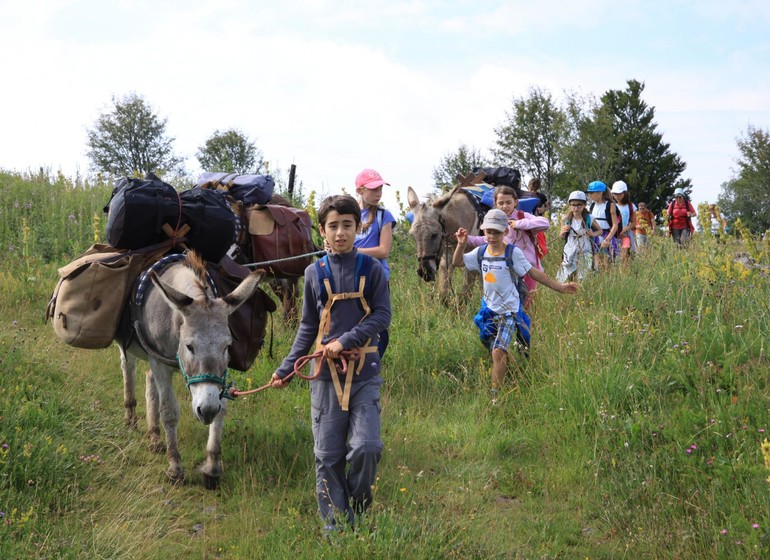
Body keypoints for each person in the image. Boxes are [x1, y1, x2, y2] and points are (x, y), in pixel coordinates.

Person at [271, 194, 391, 533]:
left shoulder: (373, 270)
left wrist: (347, 339)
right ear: (322, 230)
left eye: (348, 226)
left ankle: (358, 505)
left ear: (359, 227)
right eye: (333, 226)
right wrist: (286, 369)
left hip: (364, 374)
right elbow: (308, 326)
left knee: (366, 447)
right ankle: (335, 528)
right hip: (324, 376)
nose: (340, 233)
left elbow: (382, 314)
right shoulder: (313, 273)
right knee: (327, 455)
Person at [452, 209, 577, 399]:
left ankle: (495, 395)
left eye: (496, 232)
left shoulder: (513, 253)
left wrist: (559, 287)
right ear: (483, 232)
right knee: (493, 347)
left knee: (498, 350)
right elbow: (458, 262)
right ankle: (512, 370)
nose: (492, 236)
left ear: (505, 232)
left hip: (509, 312)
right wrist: (461, 244)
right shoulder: (481, 252)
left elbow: (533, 272)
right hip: (488, 311)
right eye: (488, 231)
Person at [464, 185, 550, 303]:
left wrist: (519, 224)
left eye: (508, 202)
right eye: (501, 203)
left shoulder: (522, 215)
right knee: (510, 302)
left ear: (515, 202)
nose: (505, 206)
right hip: (507, 269)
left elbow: (544, 223)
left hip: (528, 269)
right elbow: (485, 239)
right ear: (495, 203)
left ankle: (528, 321)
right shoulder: (495, 221)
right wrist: (466, 238)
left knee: (527, 302)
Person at [353, 168, 397, 357]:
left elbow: (383, 250)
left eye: (380, 189)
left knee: (379, 326)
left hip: (376, 278)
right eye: (373, 189)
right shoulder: (348, 215)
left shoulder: (383, 216)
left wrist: (351, 252)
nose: (378, 193)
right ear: (360, 190)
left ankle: (373, 364)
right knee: (353, 322)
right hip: (351, 277)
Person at [557, 191, 602, 282]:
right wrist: (563, 231)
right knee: (566, 271)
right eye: (573, 205)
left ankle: (581, 291)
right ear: (570, 205)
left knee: (584, 274)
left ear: (584, 205)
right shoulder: (566, 219)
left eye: (579, 205)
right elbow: (561, 236)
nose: (576, 208)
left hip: (585, 247)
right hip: (570, 248)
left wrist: (592, 234)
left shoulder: (589, 218)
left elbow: (600, 231)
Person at [586, 181, 620, 270]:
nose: (590, 195)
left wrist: (607, 240)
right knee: (598, 264)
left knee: (607, 264)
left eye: (592, 193)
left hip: (607, 236)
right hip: (595, 236)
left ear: (600, 192)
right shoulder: (592, 206)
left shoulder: (610, 205)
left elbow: (615, 225)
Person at [610, 180, 636, 268]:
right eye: (615, 194)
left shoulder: (630, 206)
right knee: (613, 256)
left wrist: (625, 229)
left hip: (626, 234)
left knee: (624, 256)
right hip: (613, 234)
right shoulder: (611, 205)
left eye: (619, 194)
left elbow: (634, 222)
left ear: (625, 193)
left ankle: (624, 273)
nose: (617, 196)